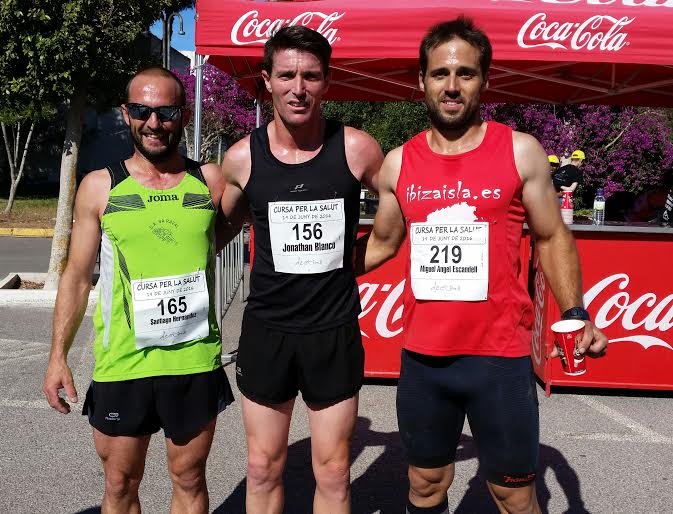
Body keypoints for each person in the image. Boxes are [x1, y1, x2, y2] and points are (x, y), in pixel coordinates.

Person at [357, 17, 608, 514]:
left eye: (465, 74)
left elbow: (552, 235)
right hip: (424, 358)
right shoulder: (398, 162)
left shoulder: (520, 151)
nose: (451, 86)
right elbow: (382, 243)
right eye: (440, 74)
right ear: (422, 81)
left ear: (484, 80)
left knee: (513, 494)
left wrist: (576, 313)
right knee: (425, 484)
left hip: (499, 357)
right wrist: (309, 270)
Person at [42, 65, 234, 514]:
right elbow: (77, 277)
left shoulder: (211, 181)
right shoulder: (100, 186)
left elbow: (222, 235)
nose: (154, 122)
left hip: (193, 361)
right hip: (124, 364)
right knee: (120, 485)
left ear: (183, 114)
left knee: (190, 479)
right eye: (142, 110)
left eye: (166, 111)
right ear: (125, 112)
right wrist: (57, 357)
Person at [219, 26, 383, 514]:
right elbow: (216, 231)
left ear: (327, 82)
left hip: (332, 331)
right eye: (287, 75)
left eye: (310, 76)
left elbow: (400, 216)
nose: (298, 88)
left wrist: (349, 263)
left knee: (333, 471)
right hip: (267, 330)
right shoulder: (241, 158)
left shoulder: (357, 148)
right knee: (262, 466)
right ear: (267, 80)